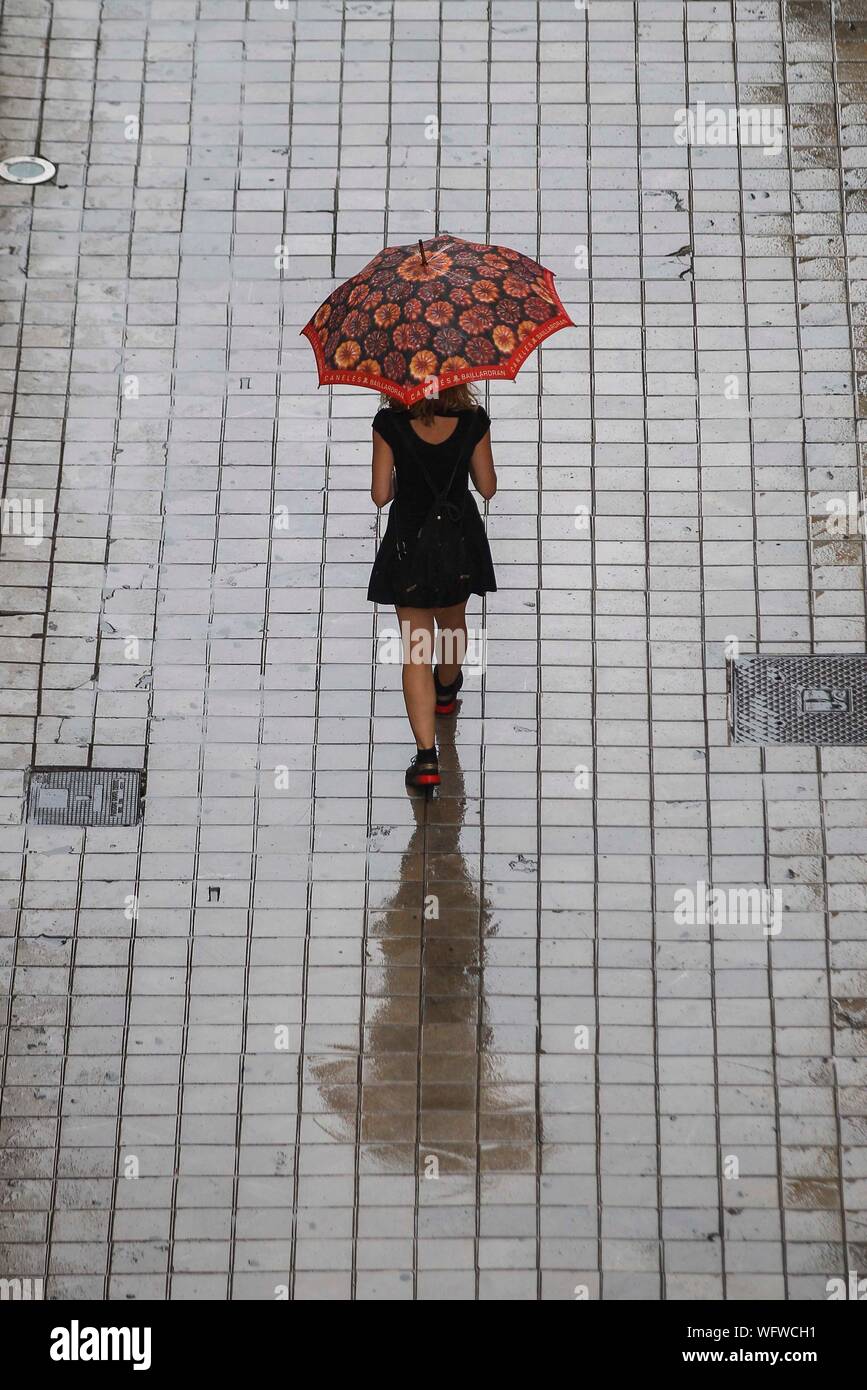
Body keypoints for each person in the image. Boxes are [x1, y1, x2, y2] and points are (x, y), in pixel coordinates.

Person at [367, 384, 497, 789]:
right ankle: (447, 688)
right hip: (458, 541)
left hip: (410, 545)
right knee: (454, 621)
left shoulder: (390, 424)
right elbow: (488, 486)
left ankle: (426, 760)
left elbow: (380, 495)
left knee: (416, 649)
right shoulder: (472, 422)